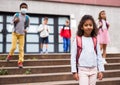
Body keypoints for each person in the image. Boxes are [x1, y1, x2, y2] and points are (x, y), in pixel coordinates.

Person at [71, 15, 104, 85]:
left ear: (93, 27)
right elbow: (73, 57)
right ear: (82, 27)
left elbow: (99, 56)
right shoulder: (78, 39)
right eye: (86, 25)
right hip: (82, 70)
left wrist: (101, 70)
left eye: (90, 25)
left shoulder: (95, 39)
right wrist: (74, 71)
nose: (88, 27)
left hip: (94, 70)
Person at [6, 3, 30, 68]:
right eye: (23, 7)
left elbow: (28, 26)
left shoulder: (27, 17)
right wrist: (15, 21)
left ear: (27, 9)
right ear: (20, 9)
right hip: (15, 33)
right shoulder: (16, 15)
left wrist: (26, 30)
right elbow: (11, 23)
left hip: (22, 35)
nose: (24, 9)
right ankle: (10, 55)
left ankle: (20, 62)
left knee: (21, 49)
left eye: (25, 7)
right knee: (14, 47)